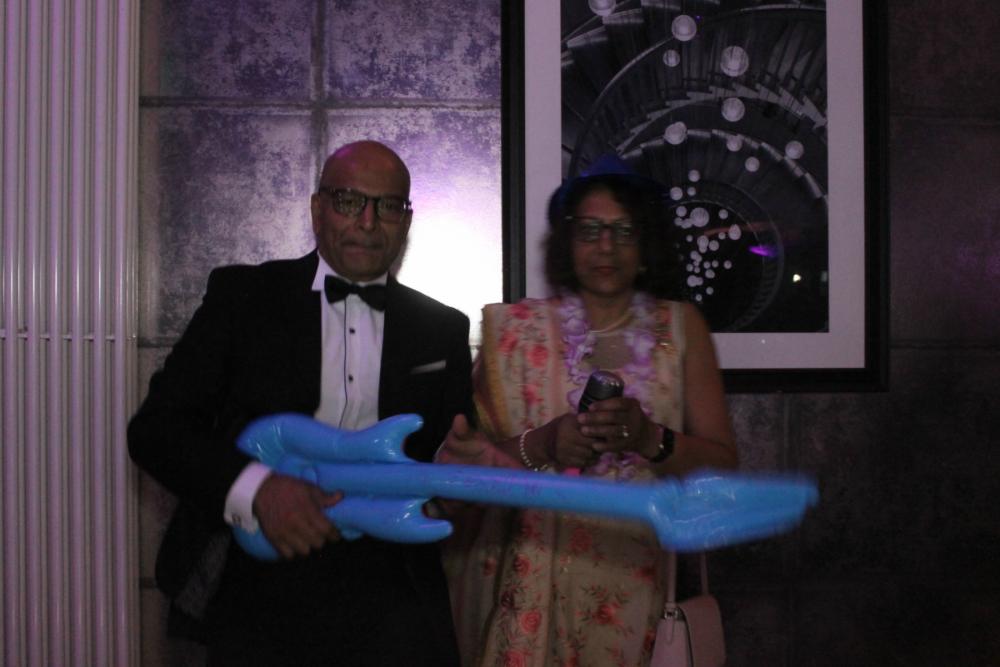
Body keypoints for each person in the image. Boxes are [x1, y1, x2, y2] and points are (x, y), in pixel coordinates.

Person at [128, 140, 473, 666]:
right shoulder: (243, 298)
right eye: (348, 201)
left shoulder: (443, 328)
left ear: (406, 221)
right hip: (257, 579)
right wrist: (256, 490)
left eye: (387, 206)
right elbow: (156, 430)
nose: (367, 222)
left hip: (395, 595)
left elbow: (446, 467)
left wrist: (463, 477)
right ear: (317, 209)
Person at [437, 161, 738, 666]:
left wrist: (650, 439)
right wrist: (544, 444)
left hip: (634, 596)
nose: (606, 247)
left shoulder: (680, 328)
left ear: (646, 245)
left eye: (624, 231)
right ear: (567, 241)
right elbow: (466, 480)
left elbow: (724, 468)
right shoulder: (516, 334)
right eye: (590, 230)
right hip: (528, 590)